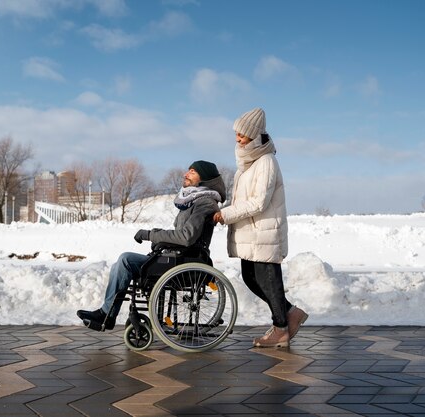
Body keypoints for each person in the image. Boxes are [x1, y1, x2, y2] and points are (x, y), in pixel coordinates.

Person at [77, 160, 226, 331]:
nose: (186, 174)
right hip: (177, 257)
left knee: (126, 260)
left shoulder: (205, 202)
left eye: (192, 172)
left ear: (204, 178)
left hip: (184, 261)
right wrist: (156, 234)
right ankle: (107, 313)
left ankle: (107, 315)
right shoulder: (193, 201)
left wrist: (150, 235)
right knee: (122, 263)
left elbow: (186, 237)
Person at [213, 107, 308, 348]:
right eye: (236, 134)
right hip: (251, 233)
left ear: (255, 135)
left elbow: (258, 202)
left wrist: (226, 215)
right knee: (251, 278)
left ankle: (281, 329)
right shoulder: (249, 162)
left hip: (264, 232)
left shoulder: (266, 161)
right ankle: (290, 315)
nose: (237, 139)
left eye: (242, 134)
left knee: (268, 281)